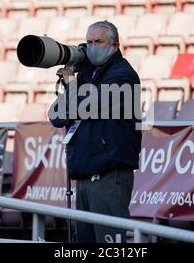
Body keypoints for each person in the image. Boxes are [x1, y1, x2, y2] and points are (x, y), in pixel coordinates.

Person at [48, 21, 142, 243]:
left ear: (115, 46)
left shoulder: (123, 76)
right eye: (89, 42)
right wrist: (75, 83)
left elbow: (88, 106)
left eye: (98, 42)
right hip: (85, 179)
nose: (92, 47)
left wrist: (72, 87)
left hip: (108, 178)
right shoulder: (89, 75)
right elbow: (56, 116)